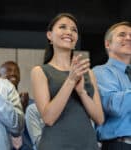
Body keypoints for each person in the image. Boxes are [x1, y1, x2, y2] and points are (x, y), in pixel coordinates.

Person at [30, 12, 104, 150]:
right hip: (55, 144)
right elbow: (48, 118)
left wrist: (81, 92)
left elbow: (99, 118)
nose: (69, 32)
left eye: (74, 30)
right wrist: (70, 81)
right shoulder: (40, 71)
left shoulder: (88, 73)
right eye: (62, 27)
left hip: (87, 144)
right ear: (49, 36)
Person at [93, 21, 131, 150]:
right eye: (122, 34)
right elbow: (115, 106)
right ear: (108, 44)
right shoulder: (101, 72)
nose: (129, 38)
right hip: (120, 144)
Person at [0, 61, 34, 150]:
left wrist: (25, 109)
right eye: (9, 70)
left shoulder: (30, 103)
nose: (13, 73)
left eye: (16, 71)